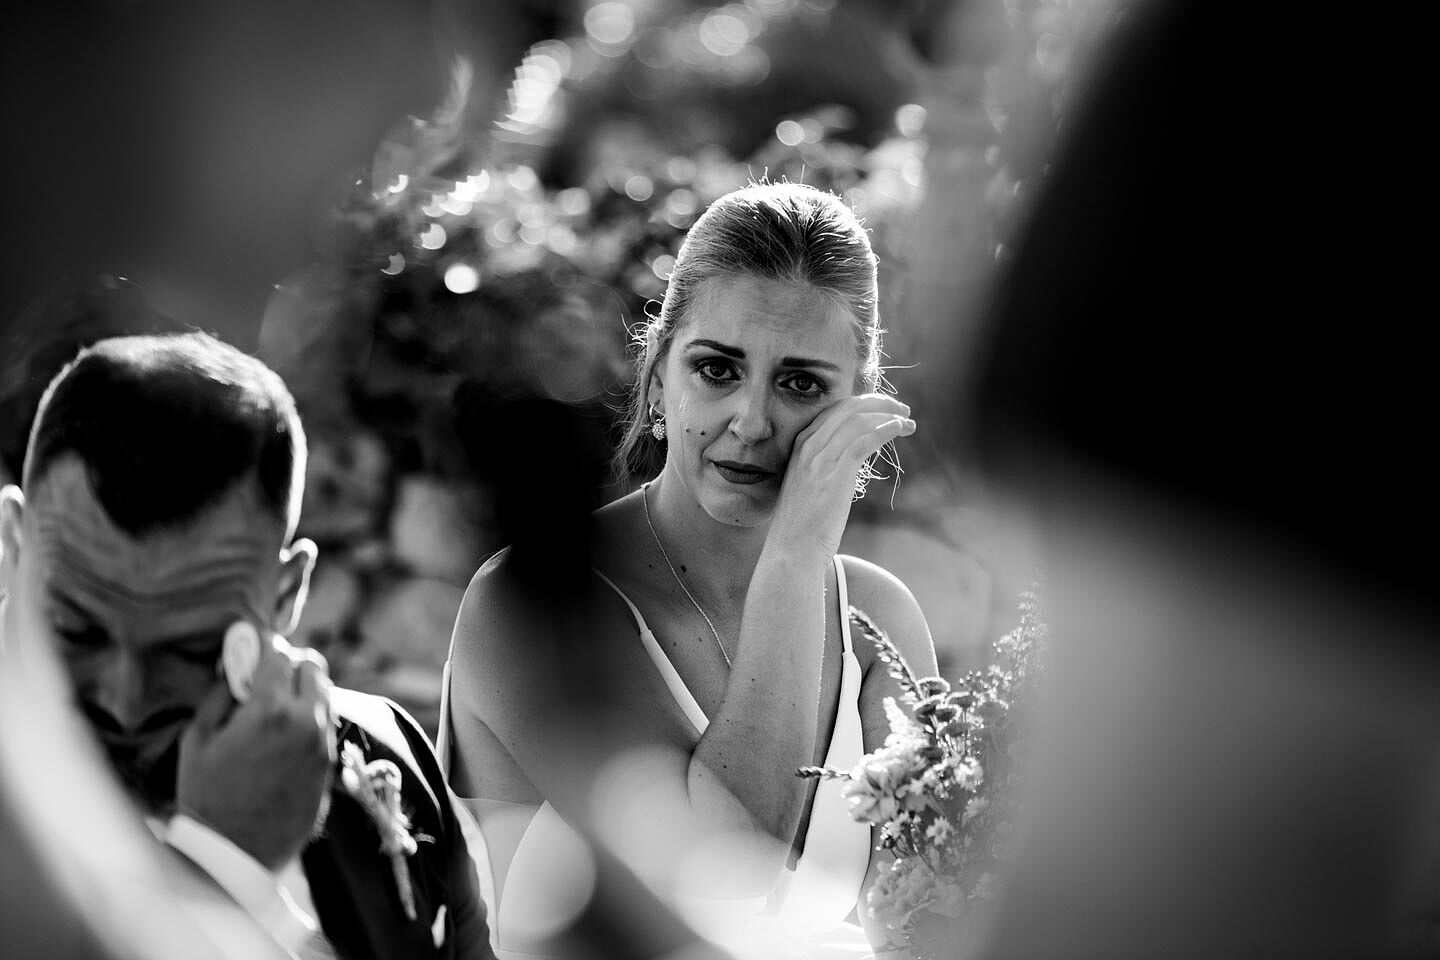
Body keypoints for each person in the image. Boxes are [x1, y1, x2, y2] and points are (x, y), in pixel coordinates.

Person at [441, 181, 936, 958]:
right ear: (660, 371)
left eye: (801, 384)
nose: (751, 421)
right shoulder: (530, 604)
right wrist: (798, 555)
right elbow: (720, 880)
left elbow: (920, 926)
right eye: (716, 369)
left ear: (858, 404)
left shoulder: (878, 623)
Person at [0, 331, 497, 960]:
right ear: (14, 548)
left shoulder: (381, 757)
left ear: (287, 593)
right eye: (74, 630)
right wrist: (221, 865)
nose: (126, 700)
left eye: (190, 650)